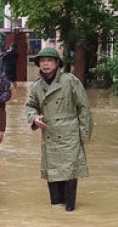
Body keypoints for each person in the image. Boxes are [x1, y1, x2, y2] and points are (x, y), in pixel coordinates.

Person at [25, 48, 93, 211]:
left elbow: (84, 108)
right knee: (53, 178)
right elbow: (30, 106)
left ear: (57, 63)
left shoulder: (70, 81)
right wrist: (34, 118)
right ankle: (56, 215)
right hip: (49, 134)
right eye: (42, 61)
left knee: (69, 174)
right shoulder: (36, 86)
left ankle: (69, 213)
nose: (46, 64)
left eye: (49, 60)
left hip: (70, 135)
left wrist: (83, 135)